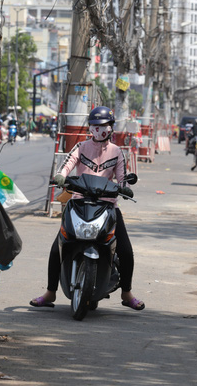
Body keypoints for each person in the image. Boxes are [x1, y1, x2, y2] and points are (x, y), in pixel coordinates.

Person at [30, 106, 145, 311]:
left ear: (111, 128)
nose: (99, 129)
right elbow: (67, 165)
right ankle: (50, 292)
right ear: (90, 127)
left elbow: (122, 177)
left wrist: (125, 188)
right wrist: (61, 177)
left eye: (104, 125)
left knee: (126, 250)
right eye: (95, 125)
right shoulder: (81, 147)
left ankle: (126, 293)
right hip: (79, 202)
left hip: (108, 205)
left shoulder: (117, 152)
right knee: (58, 246)